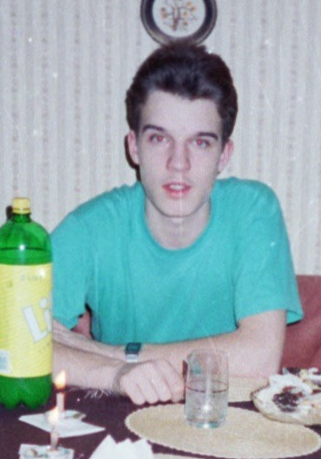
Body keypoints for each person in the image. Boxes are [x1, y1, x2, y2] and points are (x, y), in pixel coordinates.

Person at [50, 42, 301, 403]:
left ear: (223, 155)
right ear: (134, 147)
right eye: (159, 138)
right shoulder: (91, 227)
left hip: (224, 423)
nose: (178, 162)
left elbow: (261, 360)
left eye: (200, 143)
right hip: (120, 421)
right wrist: (117, 374)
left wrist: (120, 353)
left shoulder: (253, 208)